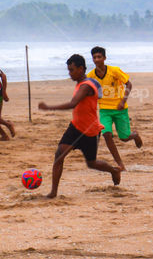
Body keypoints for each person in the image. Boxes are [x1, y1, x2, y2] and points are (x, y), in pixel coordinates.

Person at [38, 54, 121, 198]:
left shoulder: (86, 86)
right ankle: (53, 192)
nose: (69, 73)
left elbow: (73, 104)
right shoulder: (83, 83)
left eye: (72, 70)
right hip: (75, 127)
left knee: (92, 163)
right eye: (68, 70)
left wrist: (48, 107)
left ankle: (114, 170)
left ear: (81, 69)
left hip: (90, 131)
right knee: (59, 156)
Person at [89, 46, 143, 171]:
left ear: (104, 58)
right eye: (94, 57)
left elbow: (129, 84)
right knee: (106, 134)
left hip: (120, 109)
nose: (97, 59)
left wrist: (123, 101)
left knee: (124, 138)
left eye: (99, 57)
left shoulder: (114, 71)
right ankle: (120, 164)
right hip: (104, 110)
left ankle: (134, 135)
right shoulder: (91, 75)